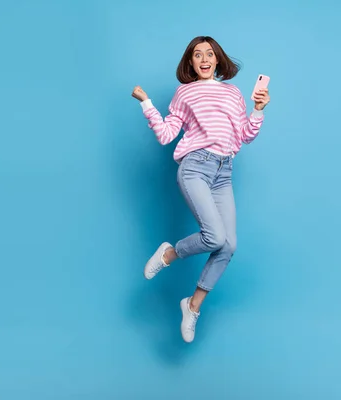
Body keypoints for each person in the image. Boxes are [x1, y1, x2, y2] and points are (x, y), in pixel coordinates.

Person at [131, 36, 270, 343]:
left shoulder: (233, 93)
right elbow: (167, 135)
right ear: (191, 63)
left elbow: (245, 135)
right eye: (197, 55)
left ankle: (192, 305)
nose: (204, 58)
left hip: (224, 171)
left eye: (209, 54)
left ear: (217, 60)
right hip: (195, 166)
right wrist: (146, 103)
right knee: (214, 236)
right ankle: (169, 254)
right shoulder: (185, 92)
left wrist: (258, 110)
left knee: (228, 245)